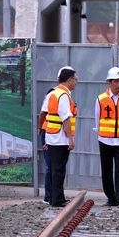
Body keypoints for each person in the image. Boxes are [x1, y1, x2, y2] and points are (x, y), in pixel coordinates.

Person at [95, 67, 119, 208]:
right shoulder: (101, 99)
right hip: (105, 140)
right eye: (116, 81)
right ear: (109, 82)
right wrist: (102, 133)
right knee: (106, 170)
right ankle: (111, 198)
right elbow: (97, 118)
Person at [45, 66, 78, 208]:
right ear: (69, 80)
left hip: (52, 137)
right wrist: (70, 139)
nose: (76, 82)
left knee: (54, 169)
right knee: (59, 170)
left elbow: (45, 114)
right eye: (75, 79)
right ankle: (57, 200)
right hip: (60, 138)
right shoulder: (63, 96)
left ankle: (55, 198)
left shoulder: (53, 93)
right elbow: (66, 119)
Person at [38, 85, 59, 204]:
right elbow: (42, 114)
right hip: (48, 133)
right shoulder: (54, 94)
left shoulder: (60, 94)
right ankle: (48, 196)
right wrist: (41, 129)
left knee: (54, 166)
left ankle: (54, 195)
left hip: (53, 134)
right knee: (50, 166)